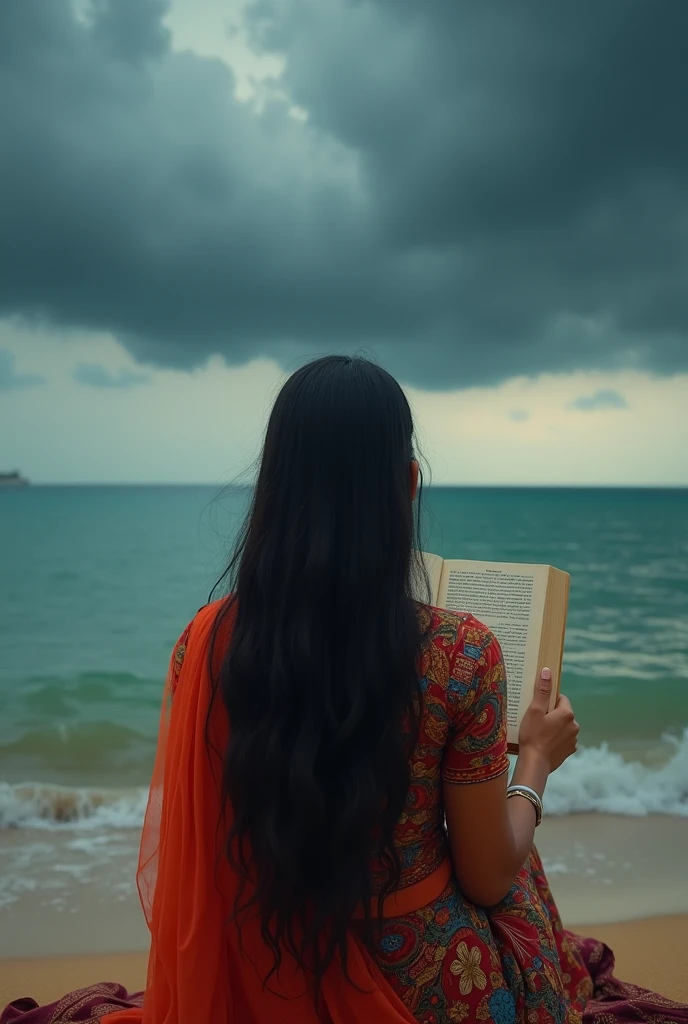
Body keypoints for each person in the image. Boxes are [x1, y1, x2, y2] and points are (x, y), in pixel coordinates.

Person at [3, 356, 686, 1024]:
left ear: (274, 487)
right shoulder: (463, 653)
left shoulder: (204, 642)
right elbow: (487, 877)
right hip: (427, 983)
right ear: (409, 483)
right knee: (519, 854)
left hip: (258, 961)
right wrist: (534, 761)